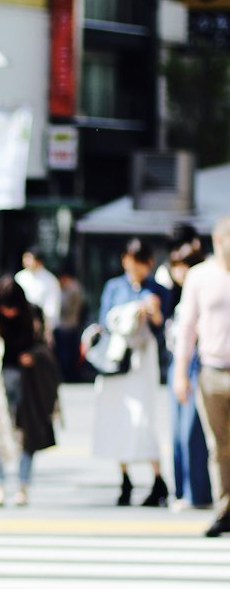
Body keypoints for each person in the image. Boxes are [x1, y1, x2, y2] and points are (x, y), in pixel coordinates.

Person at [0, 276, 59, 507]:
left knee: (29, 434)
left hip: (29, 384)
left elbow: (46, 348)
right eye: (5, 307)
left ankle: (23, 486)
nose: (9, 312)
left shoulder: (34, 314)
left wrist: (34, 357)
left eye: (13, 307)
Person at [92, 238, 169, 507]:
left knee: (143, 420)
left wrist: (154, 314)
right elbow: (104, 321)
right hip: (117, 360)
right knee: (117, 418)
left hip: (142, 362)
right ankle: (124, 479)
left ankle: (158, 479)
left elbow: (162, 331)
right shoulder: (114, 287)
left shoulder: (157, 290)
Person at [174, 215, 230, 536]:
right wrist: (181, 373)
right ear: (219, 241)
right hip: (211, 371)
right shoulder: (200, 276)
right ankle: (224, 507)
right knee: (219, 446)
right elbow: (186, 328)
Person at [166, 241, 212, 514]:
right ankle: (183, 489)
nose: (178, 271)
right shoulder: (176, 293)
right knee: (177, 431)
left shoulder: (203, 288)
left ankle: (199, 493)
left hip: (197, 363)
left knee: (192, 431)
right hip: (179, 363)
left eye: (183, 265)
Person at [15, 248, 62, 338]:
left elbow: (52, 306)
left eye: (29, 258)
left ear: (38, 261)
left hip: (41, 324)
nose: (26, 261)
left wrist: (47, 327)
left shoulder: (50, 280)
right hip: (20, 322)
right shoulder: (19, 277)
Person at [55, 268, 85, 383]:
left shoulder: (73, 288)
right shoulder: (71, 288)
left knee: (67, 353)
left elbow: (67, 307)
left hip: (68, 325)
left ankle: (69, 375)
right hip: (67, 325)